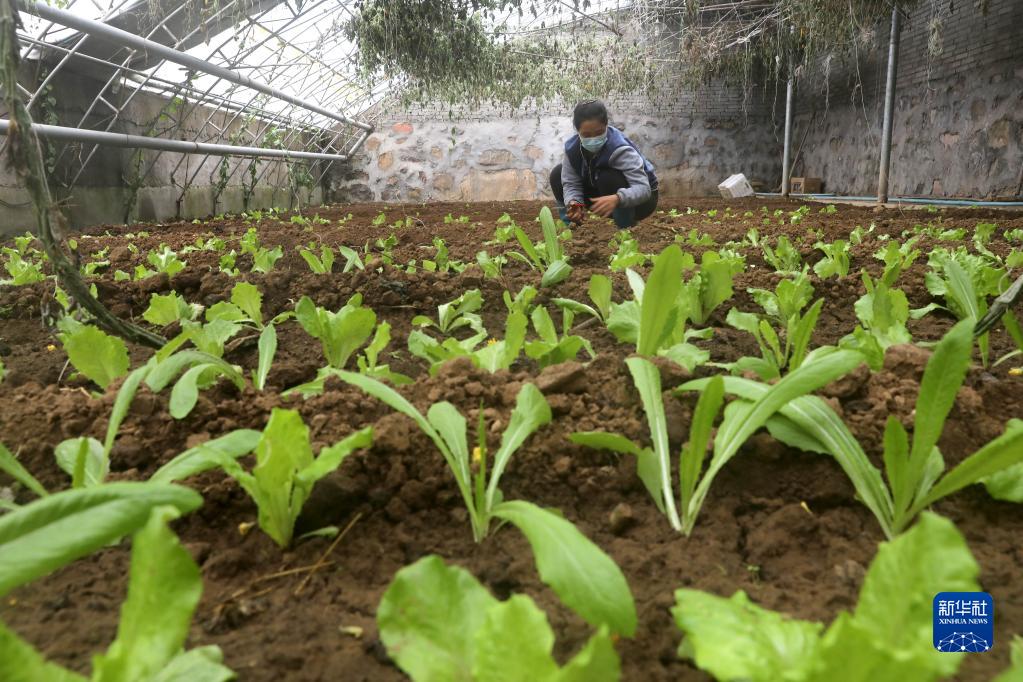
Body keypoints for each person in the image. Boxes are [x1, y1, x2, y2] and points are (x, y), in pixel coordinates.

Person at [549, 99, 659, 230]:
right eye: (586, 135)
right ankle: (572, 225)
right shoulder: (572, 149)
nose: (593, 139)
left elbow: (643, 189)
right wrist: (574, 202)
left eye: (599, 132)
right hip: (602, 199)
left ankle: (625, 228)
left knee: (608, 177)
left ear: (607, 125)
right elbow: (571, 183)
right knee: (557, 173)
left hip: (641, 203)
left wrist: (618, 198)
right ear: (577, 131)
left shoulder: (620, 149)